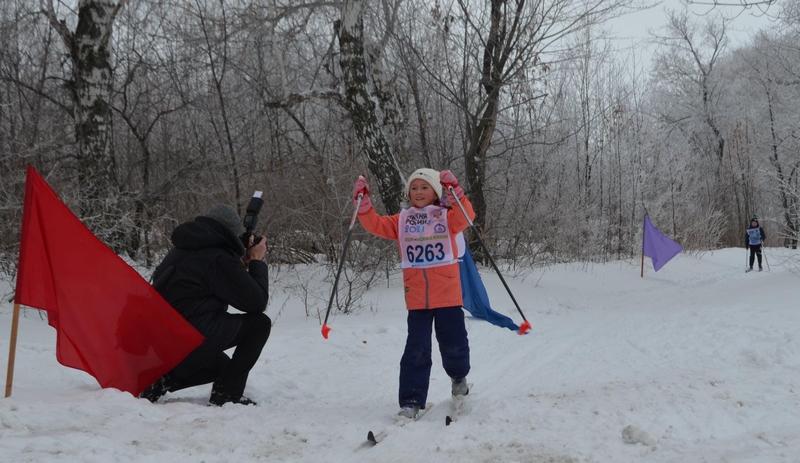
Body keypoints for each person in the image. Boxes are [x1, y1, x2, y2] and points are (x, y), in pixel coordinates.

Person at [352, 168, 475, 419]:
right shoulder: (402, 220)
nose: (418, 192)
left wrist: (456, 193)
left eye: (424, 187)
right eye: (414, 188)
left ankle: (459, 378)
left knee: (453, 344)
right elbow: (375, 224)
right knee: (416, 350)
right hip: (418, 299)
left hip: (448, 296)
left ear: (436, 191)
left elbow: (466, 216)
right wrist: (363, 205)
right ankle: (411, 400)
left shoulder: (446, 216)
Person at [140, 205, 270, 406]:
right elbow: (256, 302)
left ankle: (162, 380)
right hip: (189, 338)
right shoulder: (217, 258)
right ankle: (227, 396)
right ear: (230, 234)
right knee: (259, 325)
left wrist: (239, 264)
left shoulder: (182, 250)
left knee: (222, 367)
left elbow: (210, 279)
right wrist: (256, 261)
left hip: (163, 342)